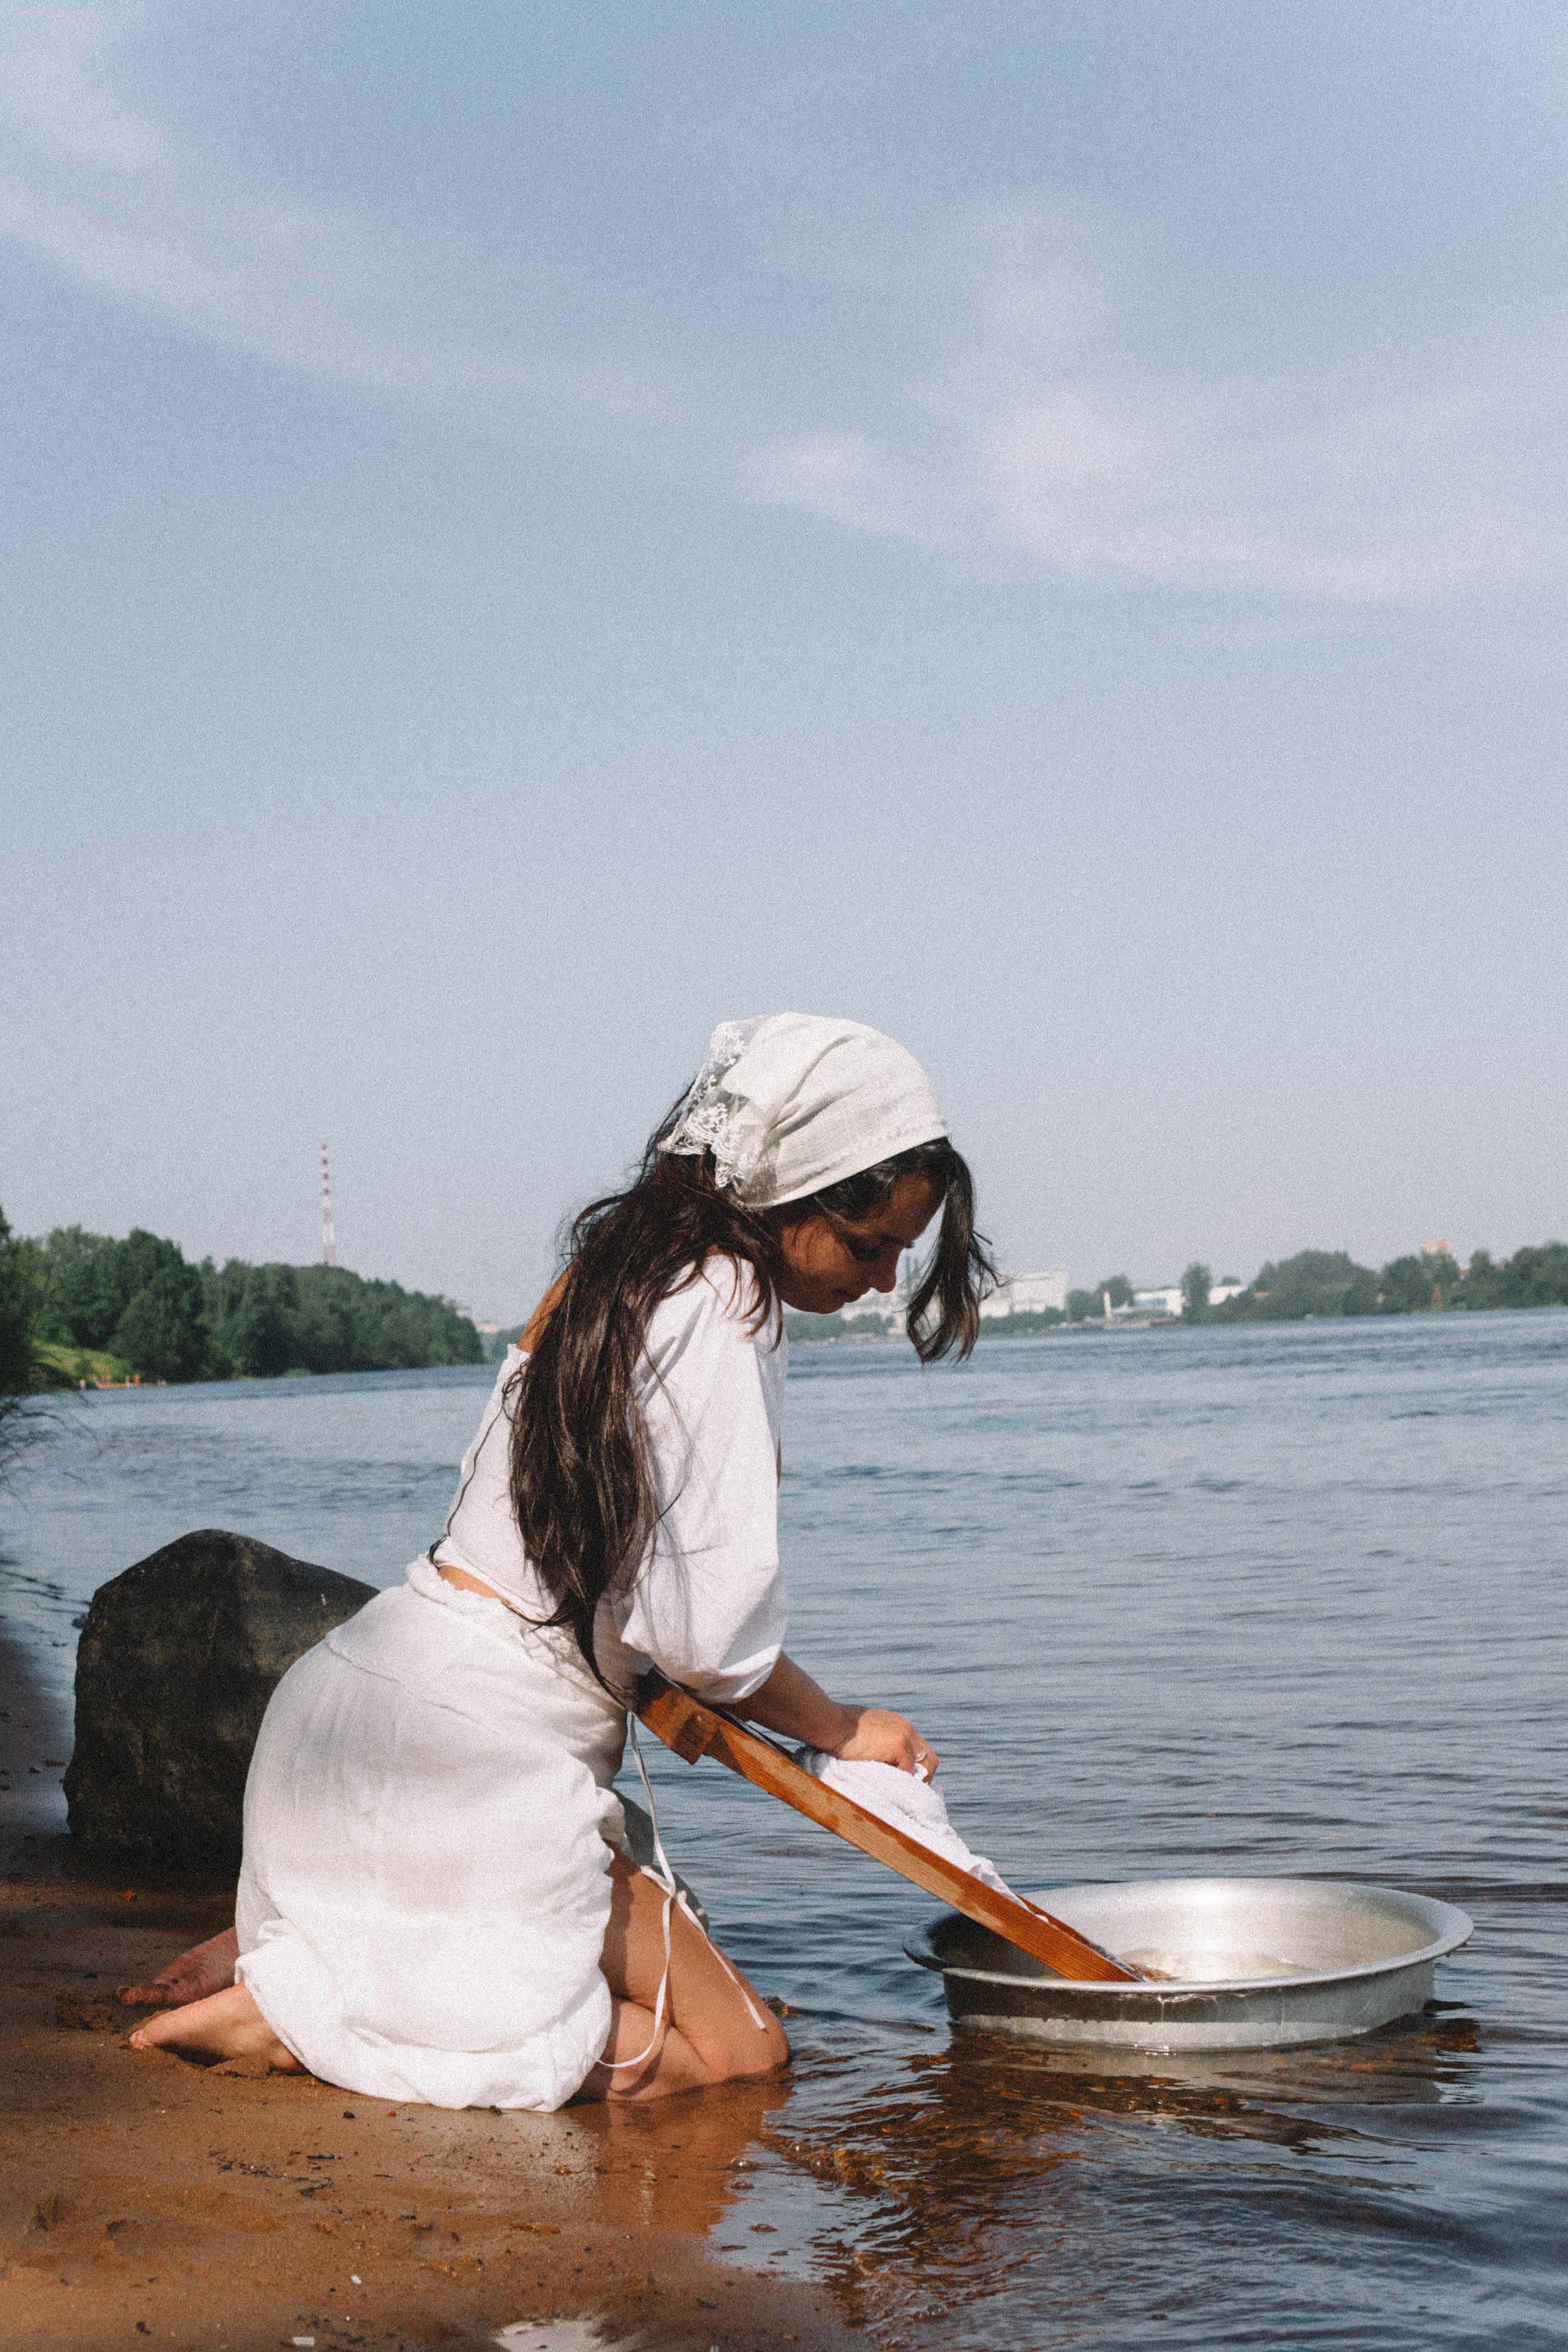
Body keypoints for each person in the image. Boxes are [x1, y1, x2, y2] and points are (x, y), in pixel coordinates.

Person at [128, 1013, 992, 2107]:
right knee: (743, 2060)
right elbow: (709, 1643)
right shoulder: (729, 1306)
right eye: (871, 1246)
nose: (882, 1281)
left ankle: (335, 1956)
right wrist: (842, 1728)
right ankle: (301, 2020)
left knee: (642, 1981)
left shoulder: (614, 1273)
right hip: (468, 1773)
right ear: (786, 1193)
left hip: (339, 1723)